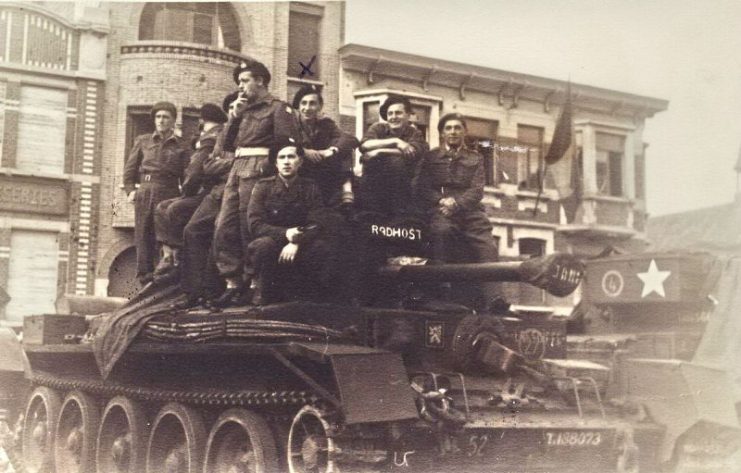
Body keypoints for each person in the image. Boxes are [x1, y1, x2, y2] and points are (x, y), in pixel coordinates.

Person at [212, 60, 298, 306]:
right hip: (237, 169)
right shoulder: (243, 109)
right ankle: (232, 282)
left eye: (245, 80)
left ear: (260, 80)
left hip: (259, 168)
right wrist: (234, 117)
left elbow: (286, 145)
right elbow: (227, 146)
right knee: (223, 226)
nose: (241, 86)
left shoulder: (278, 108)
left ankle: (254, 283)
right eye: (239, 81)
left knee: (247, 225)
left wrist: (271, 174)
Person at [246, 140, 337, 303]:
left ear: (300, 162)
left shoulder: (310, 187)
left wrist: (296, 241)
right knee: (263, 245)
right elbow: (255, 224)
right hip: (273, 243)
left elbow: (317, 222)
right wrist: (286, 234)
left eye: (291, 157)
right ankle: (263, 292)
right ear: (275, 163)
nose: (286, 161)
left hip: (301, 245)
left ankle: (308, 295)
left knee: (321, 247)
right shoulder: (263, 187)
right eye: (281, 158)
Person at [414, 112, 498, 265]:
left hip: (471, 213)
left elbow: (477, 189)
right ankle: (442, 284)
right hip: (441, 211)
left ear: (464, 132)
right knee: (441, 233)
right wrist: (441, 201)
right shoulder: (431, 157)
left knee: (488, 248)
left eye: (457, 128)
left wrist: (457, 204)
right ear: (442, 133)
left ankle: (492, 287)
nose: (453, 132)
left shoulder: (476, 157)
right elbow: (422, 186)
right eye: (448, 128)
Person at [123, 101, 189, 285]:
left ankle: (163, 278)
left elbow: (186, 177)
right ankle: (144, 278)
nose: (161, 120)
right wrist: (130, 191)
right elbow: (129, 171)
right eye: (158, 117)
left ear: (173, 120)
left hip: (169, 193)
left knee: (165, 235)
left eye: (166, 117)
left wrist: (183, 198)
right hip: (145, 191)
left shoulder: (181, 145)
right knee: (143, 234)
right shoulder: (143, 141)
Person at [358, 95, 428, 216]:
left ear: (408, 115)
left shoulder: (414, 133)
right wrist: (395, 142)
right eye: (390, 113)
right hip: (374, 186)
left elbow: (414, 152)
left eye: (398, 113)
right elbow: (364, 145)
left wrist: (380, 152)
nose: (393, 117)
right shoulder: (378, 128)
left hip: (401, 189)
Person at [292, 85, 358, 207]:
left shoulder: (326, 124)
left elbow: (350, 139)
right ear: (298, 106)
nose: (307, 108)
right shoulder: (291, 124)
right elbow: (283, 142)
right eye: (304, 103)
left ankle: (346, 191)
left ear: (319, 106)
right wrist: (304, 151)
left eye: (312, 103)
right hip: (300, 170)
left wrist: (332, 150)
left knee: (341, 146)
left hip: (322, 170)